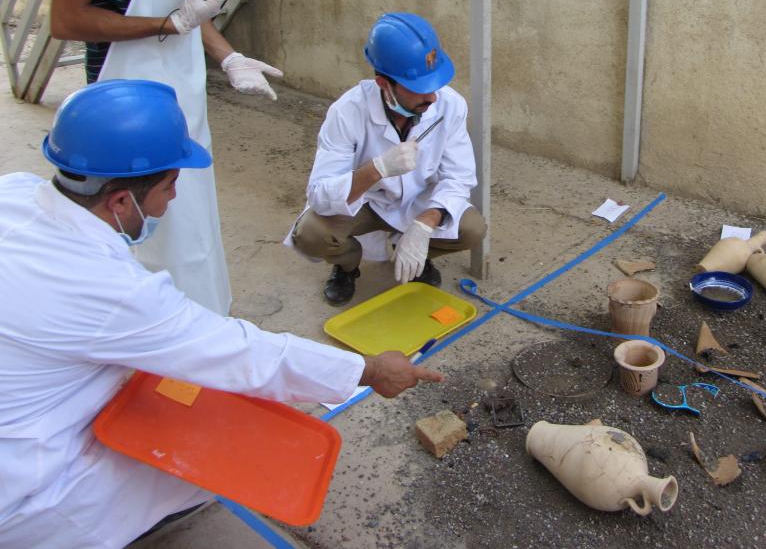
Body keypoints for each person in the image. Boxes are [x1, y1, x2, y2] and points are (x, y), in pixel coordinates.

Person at [0, 80, 441, 548]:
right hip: (22, 484)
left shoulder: (14, 193)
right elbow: (241, 354)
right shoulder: (108, 293)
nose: (171, 200)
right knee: (213, 457)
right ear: (121, 201)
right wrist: (369, 369)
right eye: (169, 186)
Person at [49, 0, 282, 315]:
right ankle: (139, 332)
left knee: (191, 215)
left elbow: (188, 8)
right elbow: (67, 18)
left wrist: (228, 56)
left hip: (182, 89)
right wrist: (165, 25)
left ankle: (198, 320)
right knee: (136, 223)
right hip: (121, 96)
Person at [287, 13, 486, 304]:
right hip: (365, 203)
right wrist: (376, 170)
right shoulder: (347, 111)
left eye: (434, 83)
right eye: (419, 88)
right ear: (383, 83)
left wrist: (423, 225)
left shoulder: (450, 105)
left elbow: (459, 177)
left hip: (418, 201)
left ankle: (417, 255)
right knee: (311, 235)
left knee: (472, 229)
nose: (431, 98)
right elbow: (320, 194)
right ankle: (347, 266)